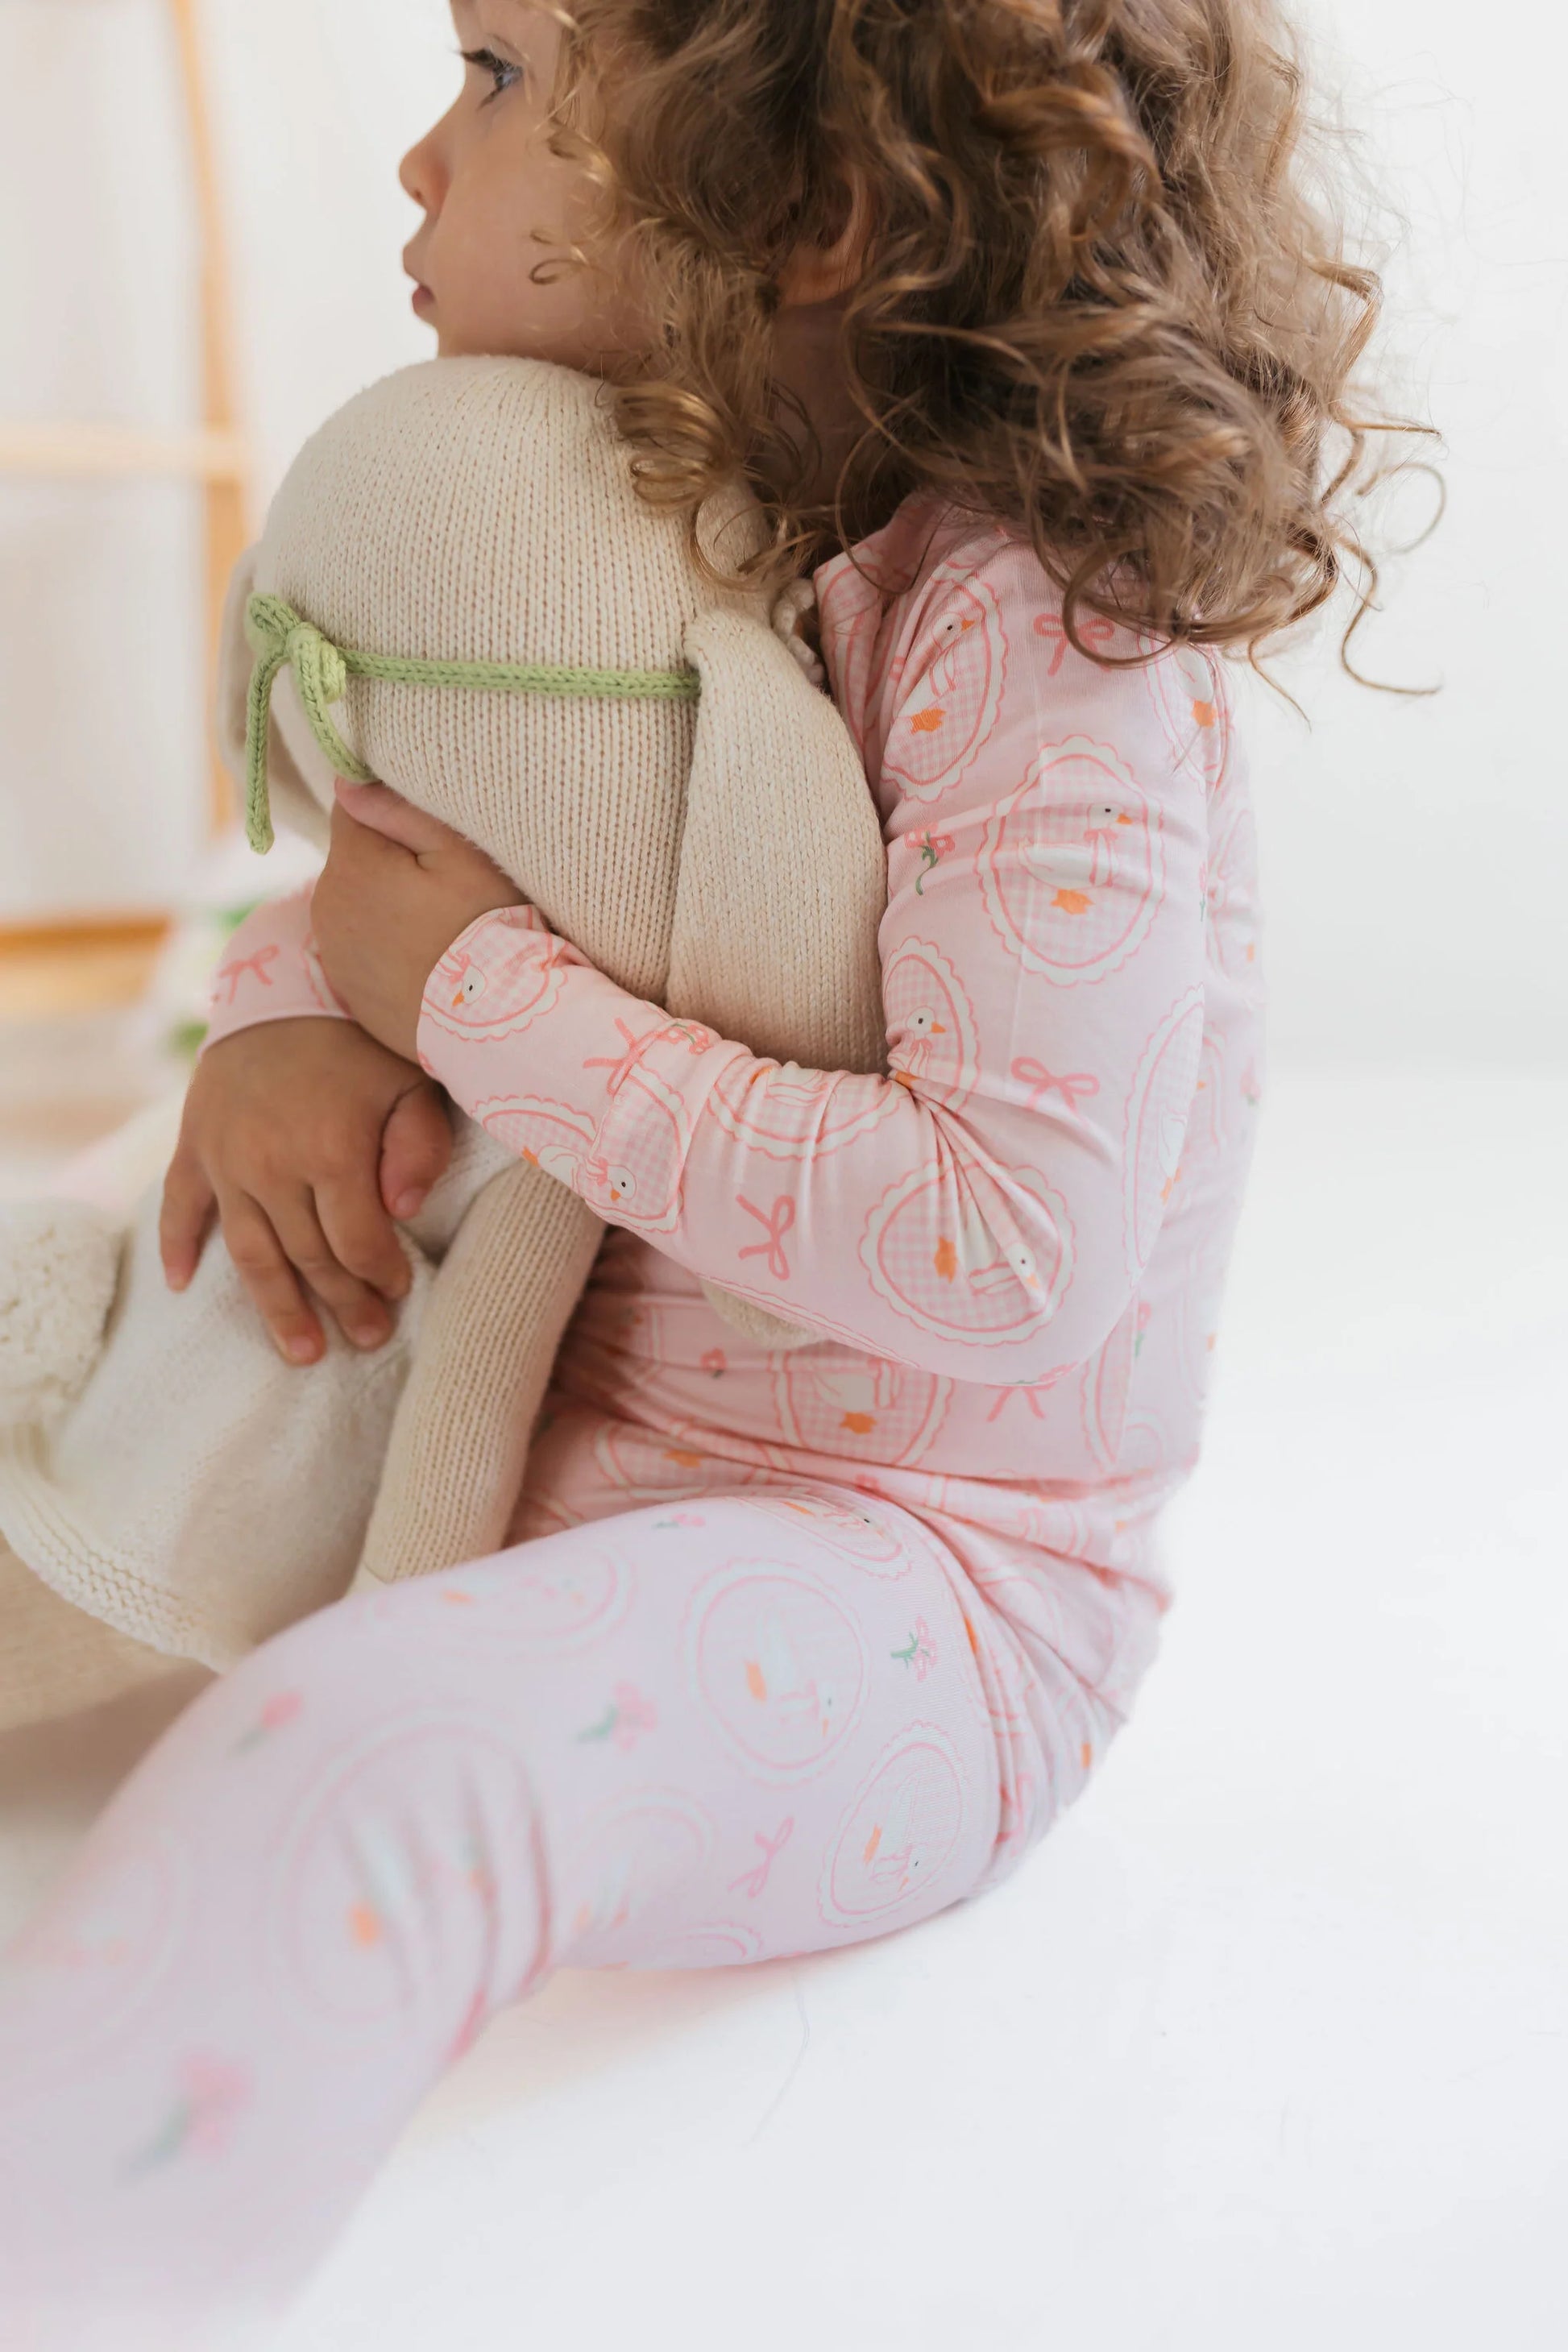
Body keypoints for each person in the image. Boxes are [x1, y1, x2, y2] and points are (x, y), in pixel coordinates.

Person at [0, 1, 1381, 2340]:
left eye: (499, 76)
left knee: (370, 1754)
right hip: (498, 1408)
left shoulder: (1040, 628)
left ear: (808, 203)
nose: (422, 161)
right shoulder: (623, 516)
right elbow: (436, 864)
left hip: (911, 1584)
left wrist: (460, 1000)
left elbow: (1004, 1248)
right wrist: (289, 1016)